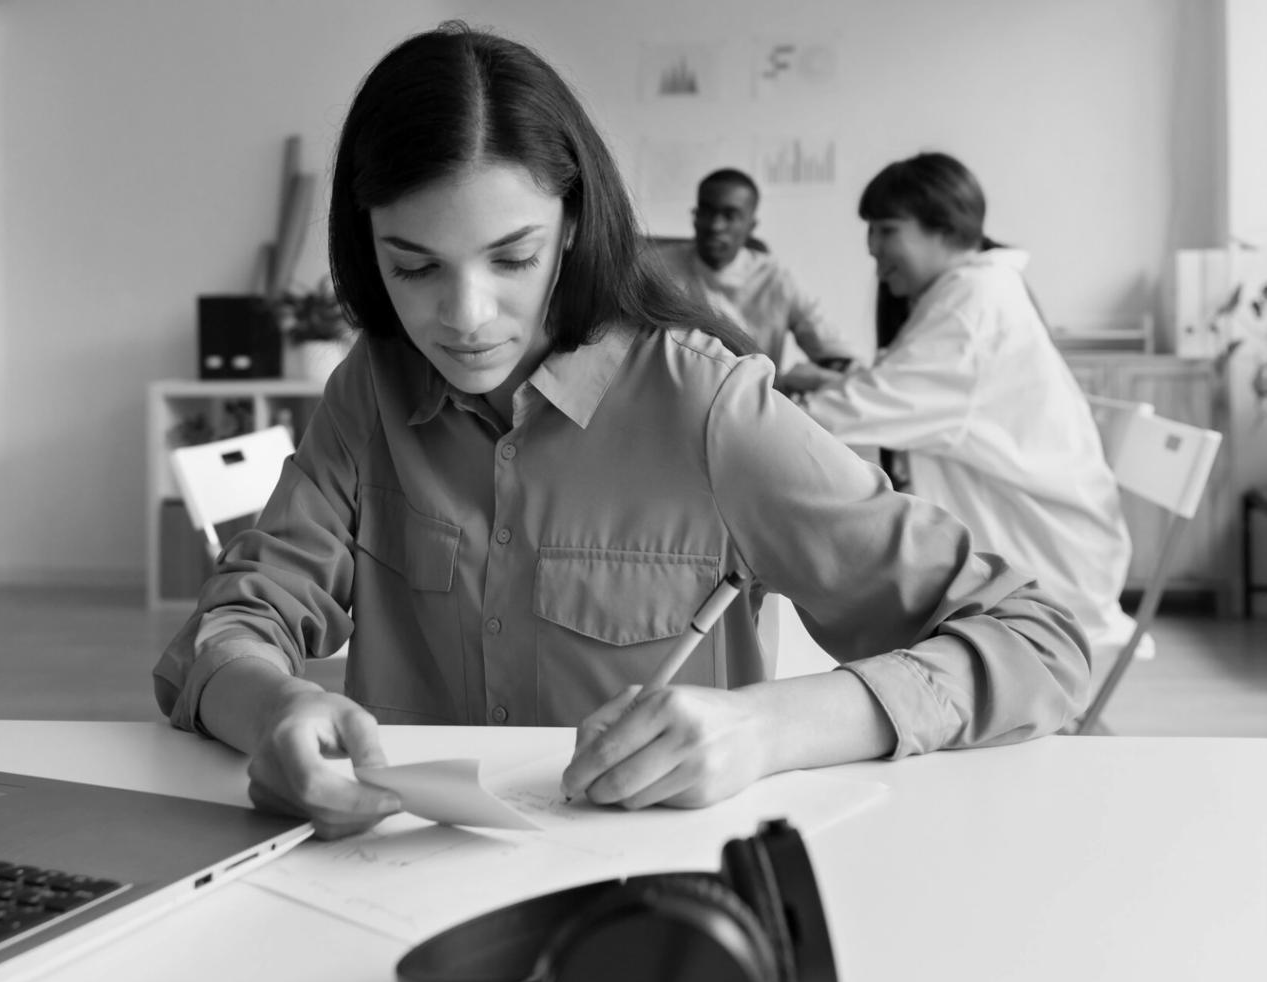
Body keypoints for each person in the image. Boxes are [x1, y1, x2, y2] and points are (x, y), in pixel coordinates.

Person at [152, 24, 1090, 840]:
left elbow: (1039, 641)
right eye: (415, 267)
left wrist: (766, 729)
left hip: (651, 907)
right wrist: (272, 709)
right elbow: (230, 626)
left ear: (570, 227)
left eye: (511, 257)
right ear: (368, 249)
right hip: (387, 885)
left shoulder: (707, 406)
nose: (465, 317)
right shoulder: (371, 389)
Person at [797, 151, 1134, 652]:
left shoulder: (970, 308)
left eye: (886, 229)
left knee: (820, 561)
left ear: (944, 228)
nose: (871, 247)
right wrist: (829, 382)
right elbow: (905, 389)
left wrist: (752, 406)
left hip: (1046, 568)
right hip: (1054, 541)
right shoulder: (977, 289)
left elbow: (857, 411)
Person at [657, 168, 855, 393]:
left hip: (756, 399)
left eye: (729, 216)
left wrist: (802, 380)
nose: (715, 226)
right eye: (706, 212)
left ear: (750, 226)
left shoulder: (774, 278)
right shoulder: (656, 269)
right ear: (695, 216)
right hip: (677, 395)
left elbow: (833, 352)